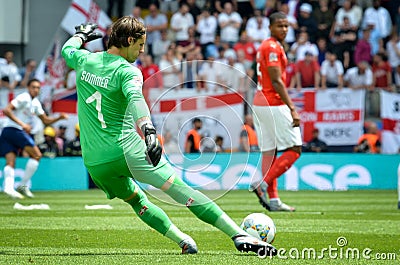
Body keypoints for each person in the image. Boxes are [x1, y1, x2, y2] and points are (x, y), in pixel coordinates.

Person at [61, 17, 276, 255]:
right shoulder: (128, 71)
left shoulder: (84, 59)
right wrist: (149, 131)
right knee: (182, 191)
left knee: (136, 201)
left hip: (95, 162)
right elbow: (135, 99)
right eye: (140, 44)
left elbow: (67, 50)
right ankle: (239, 235)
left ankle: (183, 240)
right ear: (129, 40)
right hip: (128, 152)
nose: (142, 50)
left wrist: (80, 35)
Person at [251, 12, 301, 212]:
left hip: (260, 103)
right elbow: (277, 80)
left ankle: (273, 200)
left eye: (287, 26)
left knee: (269, 152)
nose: (284, 29)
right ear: (270, 27)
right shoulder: (272, 46)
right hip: (274, 103)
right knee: (295, 148)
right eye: (280, 26)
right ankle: (262, 184)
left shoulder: (268, 46)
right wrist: (292, 108)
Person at [0, 78, 68, 199]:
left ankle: (8, 188)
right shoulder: (24, 97)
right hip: (14, 130)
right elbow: (6, 110)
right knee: (37, 155)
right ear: (28, 88)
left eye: (38, 88)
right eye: (33, 87)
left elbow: (46, 120)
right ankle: (22, 185)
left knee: (10, 161)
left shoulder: (36, 103)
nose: (36, 90)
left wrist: (59, 118)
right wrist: (23, 124)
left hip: (8, 131)